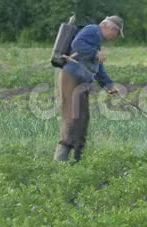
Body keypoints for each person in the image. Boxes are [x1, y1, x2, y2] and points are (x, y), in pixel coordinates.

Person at [53, 15, 124, 162]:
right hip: (71, 77)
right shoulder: (92, 30)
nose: (114, 37)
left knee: (83, 118)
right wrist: (95, 53)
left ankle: (78, 158)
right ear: (108, 27)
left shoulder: (96, 41)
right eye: (116, 33)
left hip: (81, 81)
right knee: (73, 117)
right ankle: (60, 160)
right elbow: (77, 43)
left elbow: (97, 68)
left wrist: (108, 86)